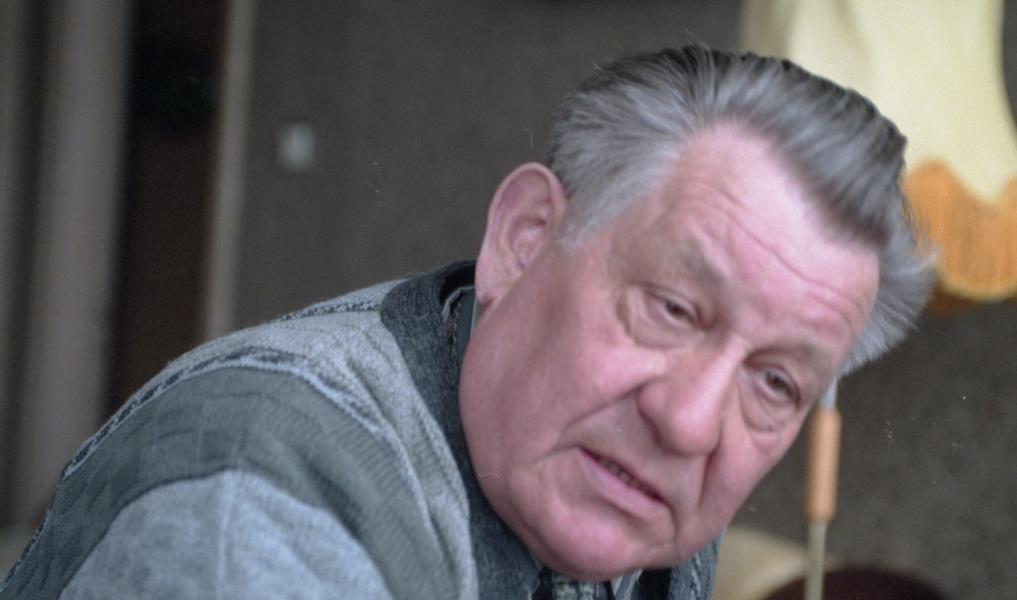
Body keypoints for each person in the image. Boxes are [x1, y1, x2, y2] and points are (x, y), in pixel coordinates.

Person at [0, 45, 931, 599]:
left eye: (775, 381)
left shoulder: (611, 475)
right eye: (674, 309)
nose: (689, 423)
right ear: (524, 241)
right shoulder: (261, 505)